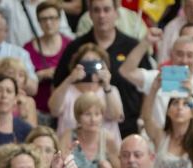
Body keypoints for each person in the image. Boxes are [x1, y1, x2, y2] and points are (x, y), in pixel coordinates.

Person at [52, 0, 149, 137]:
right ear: (90, 14)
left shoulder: (133, 46)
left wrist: (143, 119)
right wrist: (71, 79)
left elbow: (147, 87)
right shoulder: (75, 48)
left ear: (116, 12)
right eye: (96, 10)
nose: (101, 15)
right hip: (77, 130)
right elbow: (57, 85)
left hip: (128, 126)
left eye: (106, 10)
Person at [119, 27, 193, 126]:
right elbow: (126, 71)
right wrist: (146, 42)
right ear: (171, 55)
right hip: (158, 139)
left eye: (190, 55)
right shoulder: (157, 78)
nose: (184, 60)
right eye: (179, 54)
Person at [49, 43, 123, 143]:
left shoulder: (110, 90)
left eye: (95, 63)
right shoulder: (67, 90)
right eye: (86, 63)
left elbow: (115, 116)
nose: (91, 67)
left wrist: (107, 85)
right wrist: (70, 79)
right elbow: (54, 110)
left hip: (106, 149)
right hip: (70, 148)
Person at [58, 92, 120, 168]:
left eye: (97, 114)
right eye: (87, 114)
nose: (93, 119)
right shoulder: (69, 136)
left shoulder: (107, 138)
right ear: (78, 117)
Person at [141, 73, 193, 168]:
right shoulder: (160, 136)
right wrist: (154, 88)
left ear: (192, 113)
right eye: (175, 103)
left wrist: (190, 97)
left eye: (185, 104)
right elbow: (147, 118)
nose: (180, 107)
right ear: (168, 111)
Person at [23, 1, 71, 117]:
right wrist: (41, 75)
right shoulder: (27, 48)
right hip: (36, 110)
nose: (48, 23)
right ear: (38, 22)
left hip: (65, 110)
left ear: (59, 19)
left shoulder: (70, 46)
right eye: (43, 19)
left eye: (52, 18)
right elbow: (22, 80)